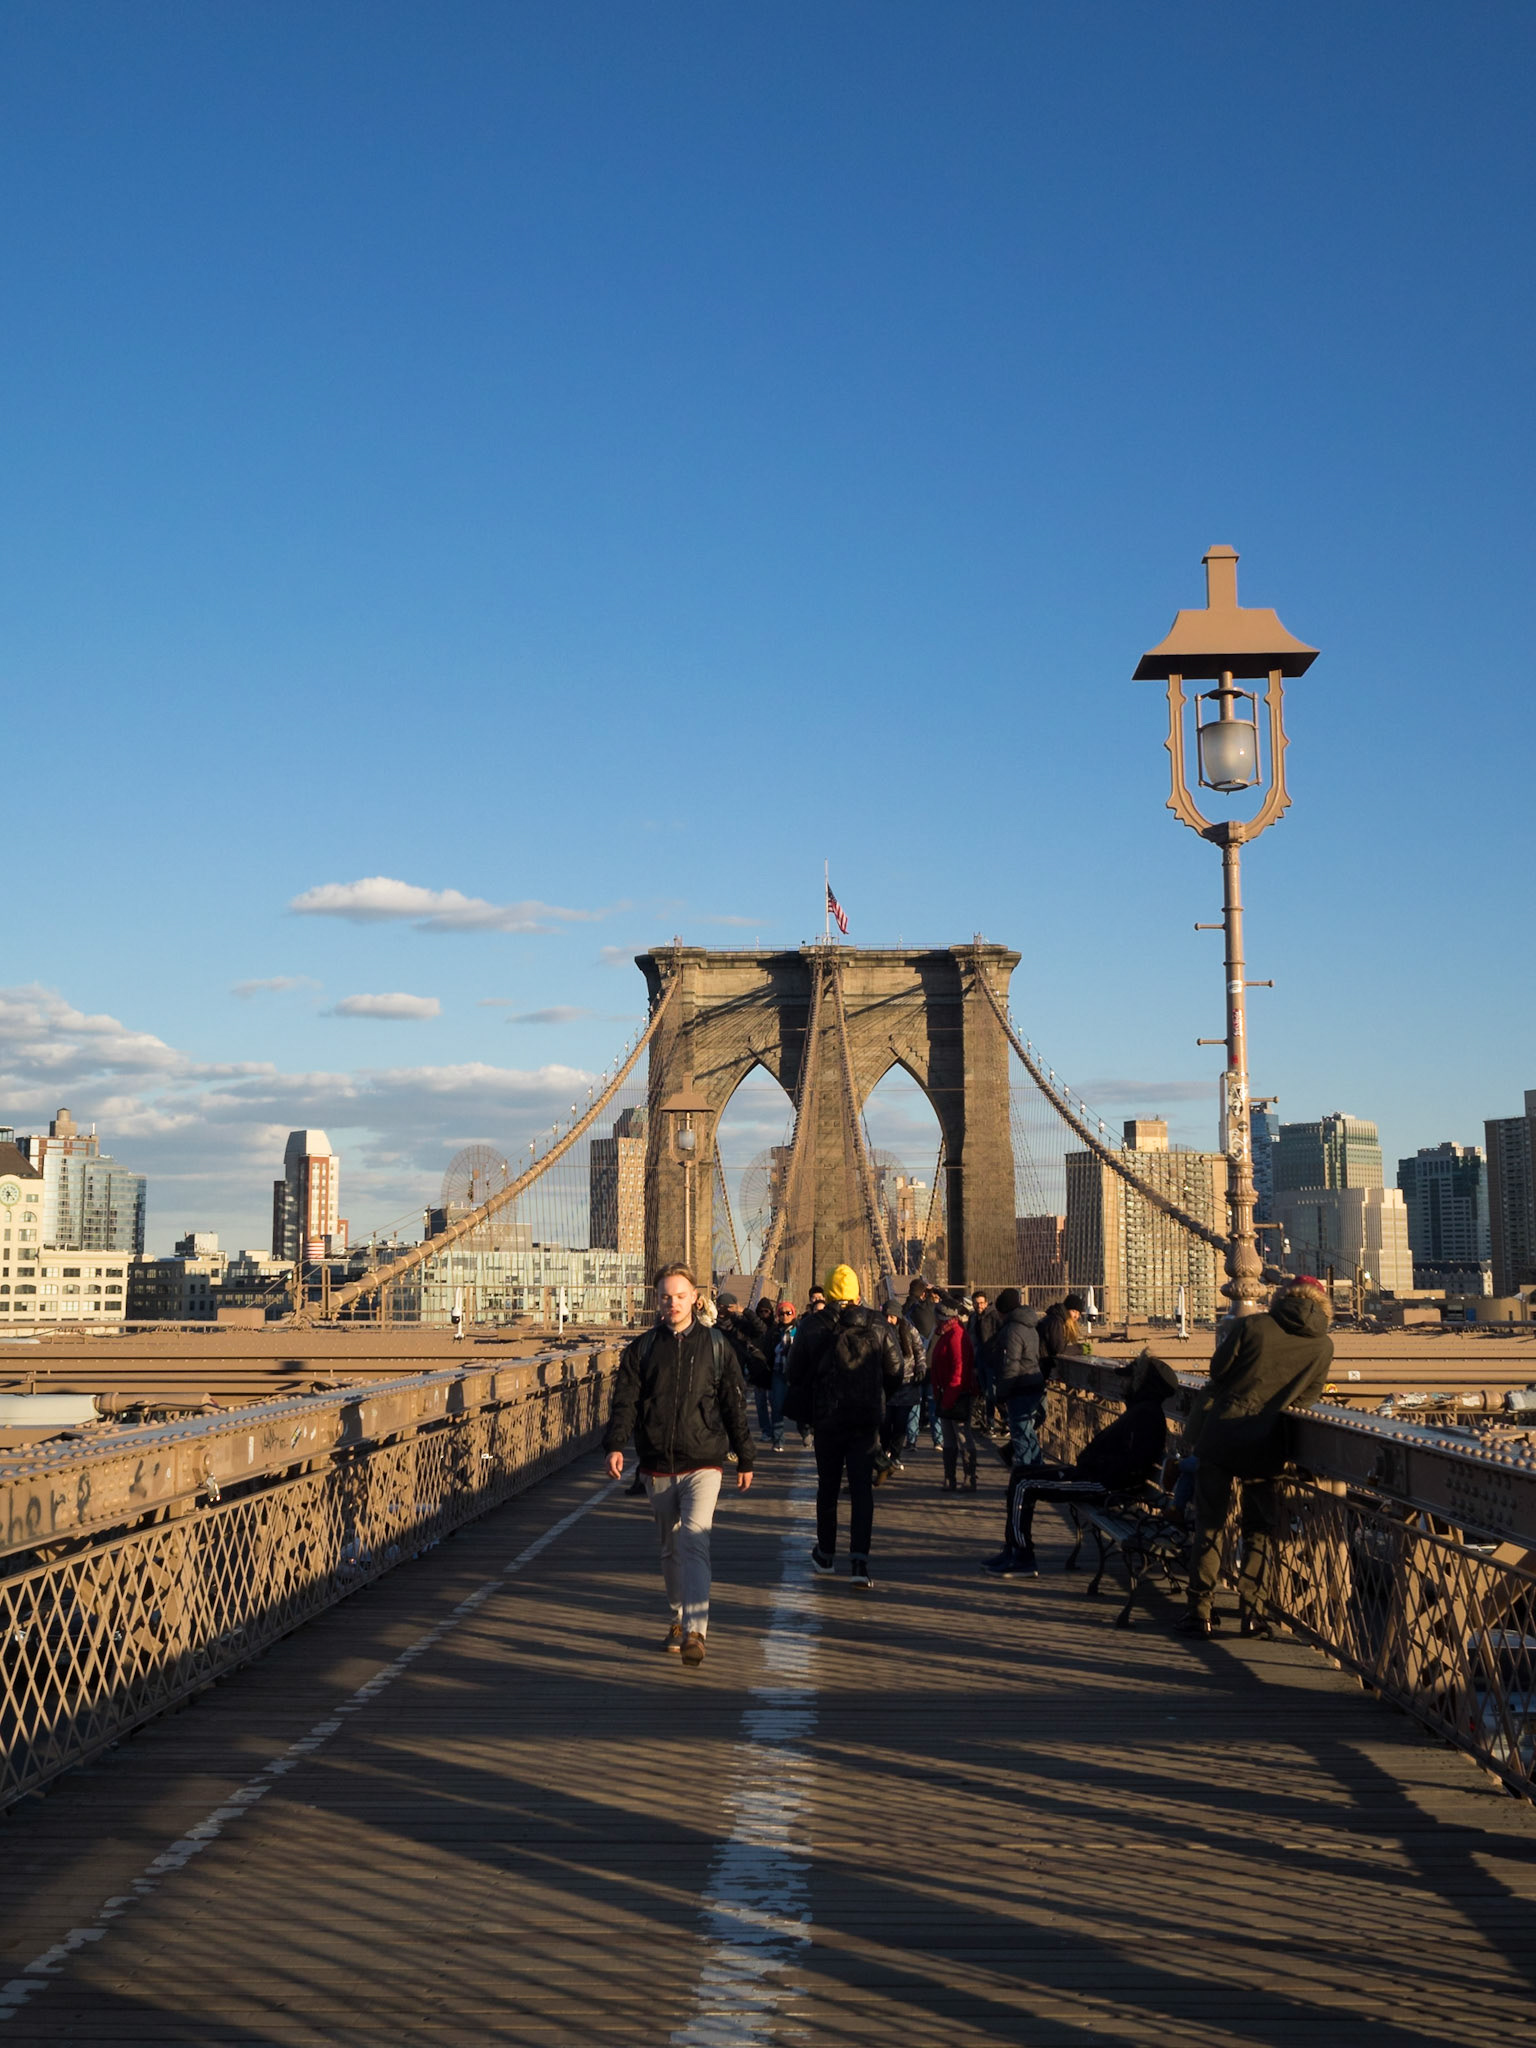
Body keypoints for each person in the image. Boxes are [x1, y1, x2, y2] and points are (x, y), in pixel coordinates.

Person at [603, 1263, 755, 1667]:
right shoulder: (642, 1349)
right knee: (670, 1548)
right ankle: (677, 1616)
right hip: (656, 1463)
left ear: (694, 1297)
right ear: (657, 1300)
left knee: (694, 1540)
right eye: (665, 1296)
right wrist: (616, 1444)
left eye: (680, 1295)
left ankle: (696, 1632)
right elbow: (626, 1401)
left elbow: (733, 1404)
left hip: (704, 1460)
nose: (673, 1303)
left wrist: (745, 1454)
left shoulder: (717, 1346)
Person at [1179, 1277, 1333, 1638]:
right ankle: (1253, 1613)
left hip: (1222, 1435)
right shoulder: (1323, 1345)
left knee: (1210, 1524)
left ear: (1281, 1296)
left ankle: (1200, 1611)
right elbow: (1308, 1398)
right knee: (1259, 1531)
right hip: (1268, 1443)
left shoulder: (1253, 1324)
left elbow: (1219, 1372)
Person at [984, 1351, 1180, 1577]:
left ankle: (1022, 1556)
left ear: (1142, 1383)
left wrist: (1095, 1465)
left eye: (1128, 1378)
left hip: (1103, 1485)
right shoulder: (1141, 1410)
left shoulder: (1146, 1415)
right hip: (1094, 1477)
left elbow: (1131, 1467)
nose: (1122, 1383)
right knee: (1021, 1474)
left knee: (1025, 1484)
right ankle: (1013, 1549)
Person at [786, 1263, 904, 1587]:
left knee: (828, 1488)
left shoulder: (812, 1325)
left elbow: (794, 1373)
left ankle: (825, 1555)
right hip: (865, 1420)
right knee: (862, 1490)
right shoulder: (878, 1323)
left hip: (827, 1419)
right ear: (856, 1293)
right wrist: (878, 1395)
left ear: (826, 1292)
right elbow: (897, 1369)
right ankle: (859, 1563)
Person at [929, 1299, 979, 1489]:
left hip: (956, 1394)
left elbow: (959, 1369)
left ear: (943, 1317)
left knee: (962, 1434)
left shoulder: (956, 1336)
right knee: (950, 1436)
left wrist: (948, 1398)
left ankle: (968, 1477)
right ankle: (950, 1477)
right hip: (947, 1393)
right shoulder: (947, 1333)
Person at [878, 1303, 925, 1475]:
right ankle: (884, 1452)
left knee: (900, 1423)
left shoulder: (909, 1330)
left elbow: (919, 1351)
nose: (888, 1320)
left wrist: (920, 1369)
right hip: (887, 1383)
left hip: (906, 1383)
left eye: (891, 1316)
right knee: (885, 1422)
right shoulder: (880, 1330)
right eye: (886, 1316)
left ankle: (895, 1455)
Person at [969, 1289, 1000, 1428]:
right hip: (979, 1359)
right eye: (976, 1303)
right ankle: (990, 1423)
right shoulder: (973, 1318)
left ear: (986, 1303)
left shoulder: (993, 1316)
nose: (979, 1306)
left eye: (981, 1303)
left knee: (992, 1393)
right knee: (985, 1391)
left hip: (991, 1359)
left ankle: (997, 1421)